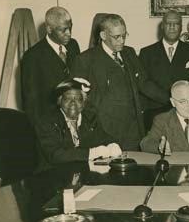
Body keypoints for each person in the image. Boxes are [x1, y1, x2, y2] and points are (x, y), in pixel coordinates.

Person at [71, 14, 168, 150]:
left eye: (124, 35)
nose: (122, 41)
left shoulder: (129, 53)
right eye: (117, 37)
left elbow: (144, 83)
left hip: (133, 131)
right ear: (103, 36)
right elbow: (78, 99)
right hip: (104, 132)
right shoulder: (86, 60)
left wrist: (171, 98)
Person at [34, 78, 122, 173]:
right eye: (67, 99)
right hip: (53, 174)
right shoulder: (47, 121)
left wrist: (113, 145)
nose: (73, 103)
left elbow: (104, 138)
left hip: (83, 173)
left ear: (83, 102)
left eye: (78, 99)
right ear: (60, 101)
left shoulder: (90, 118)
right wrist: (92, 153)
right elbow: (56, 155)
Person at [139, 10, 189, 128]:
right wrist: (170, 99)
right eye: (168, 23)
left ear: (181, 27)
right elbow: (144, 84)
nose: (172, 27)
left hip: (185, 114)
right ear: (162, 26)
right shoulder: (146, 53)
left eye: (176, 24)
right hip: (155, 113)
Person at [21, 6, 80, 124]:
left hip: (74, 119)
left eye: (70, 28)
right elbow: (30, 103)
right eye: (63, 30)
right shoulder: (32, 56)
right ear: (49, 29)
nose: (68, 33)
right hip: (49, 124)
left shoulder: (73, 46)